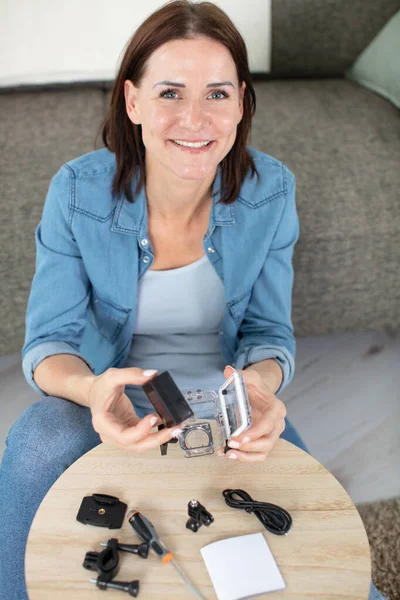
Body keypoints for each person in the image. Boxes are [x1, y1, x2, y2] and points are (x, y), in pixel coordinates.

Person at [0, 2, 385, 599]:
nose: (196, 118)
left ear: (241, 103)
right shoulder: (76, 192)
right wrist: (93, 391)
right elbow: (49, 342)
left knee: (326, 560)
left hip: (227, 404)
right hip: (114, 394)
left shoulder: (272, 191)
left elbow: (269, 334)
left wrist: (259, 390)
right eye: (171, 93)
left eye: (217, 94)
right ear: (133, 102)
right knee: (38, 437)